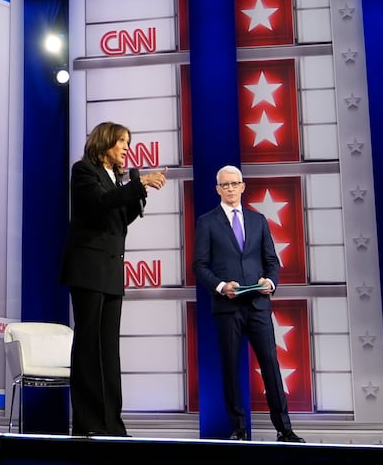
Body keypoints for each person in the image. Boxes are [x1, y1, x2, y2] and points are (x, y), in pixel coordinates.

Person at [59, 122, 166, 436]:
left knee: (108, 350)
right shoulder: (84, 171)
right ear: (105, 142)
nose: (126, 148)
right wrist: (134, 186)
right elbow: (97, 204)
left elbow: (119, 220)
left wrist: (137, 194)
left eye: (128, 143)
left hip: (111, 272)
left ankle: (112, 425)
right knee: (89, 347)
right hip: (88, 269)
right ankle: (88, 424)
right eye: (122, 141)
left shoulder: (114, 178)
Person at [192, 165, 304, 443]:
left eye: (235, 183)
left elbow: (272, 262)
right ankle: (240, 429)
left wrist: (271, 282)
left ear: (244, 186)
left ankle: (284, 429)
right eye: (225, 185)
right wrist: (220, 286)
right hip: (227, 308)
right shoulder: (207, 222)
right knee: (230, 368)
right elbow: (199, 265)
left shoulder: (259, 220)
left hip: (258, 306)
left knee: (271, 366)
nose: (230, 188)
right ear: (217, 189)